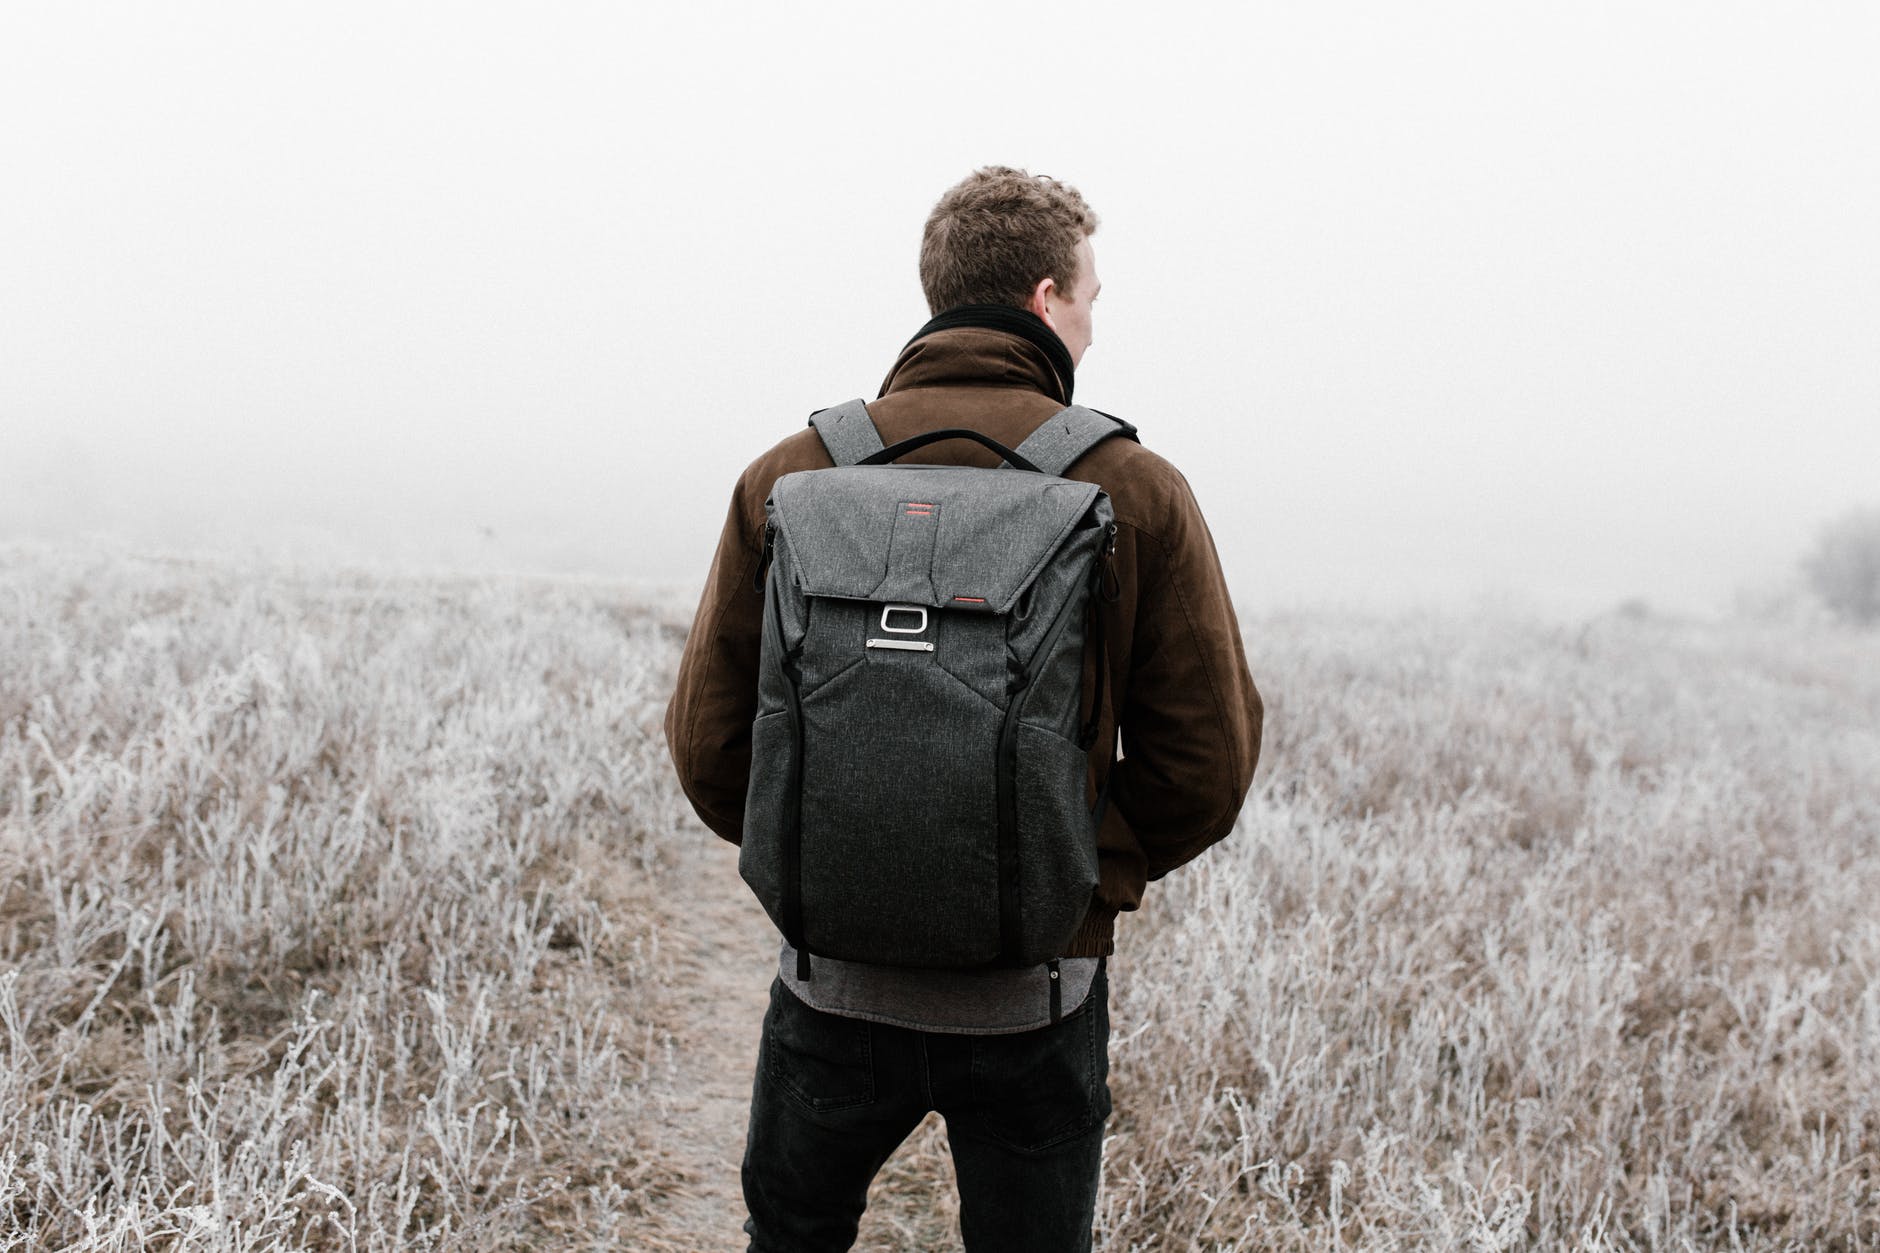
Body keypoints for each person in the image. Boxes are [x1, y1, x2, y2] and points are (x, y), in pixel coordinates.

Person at [664, 166, 1263, 1252]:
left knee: (789, 1238)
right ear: (1044, 300)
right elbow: (1204, 769)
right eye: (1089, 297)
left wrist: (823, 852)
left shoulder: (788, 474)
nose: (1091, 322)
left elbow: (708, 749)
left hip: (827, 988)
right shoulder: (1135, 489)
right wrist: (1070, 875)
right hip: (1035, 1000)